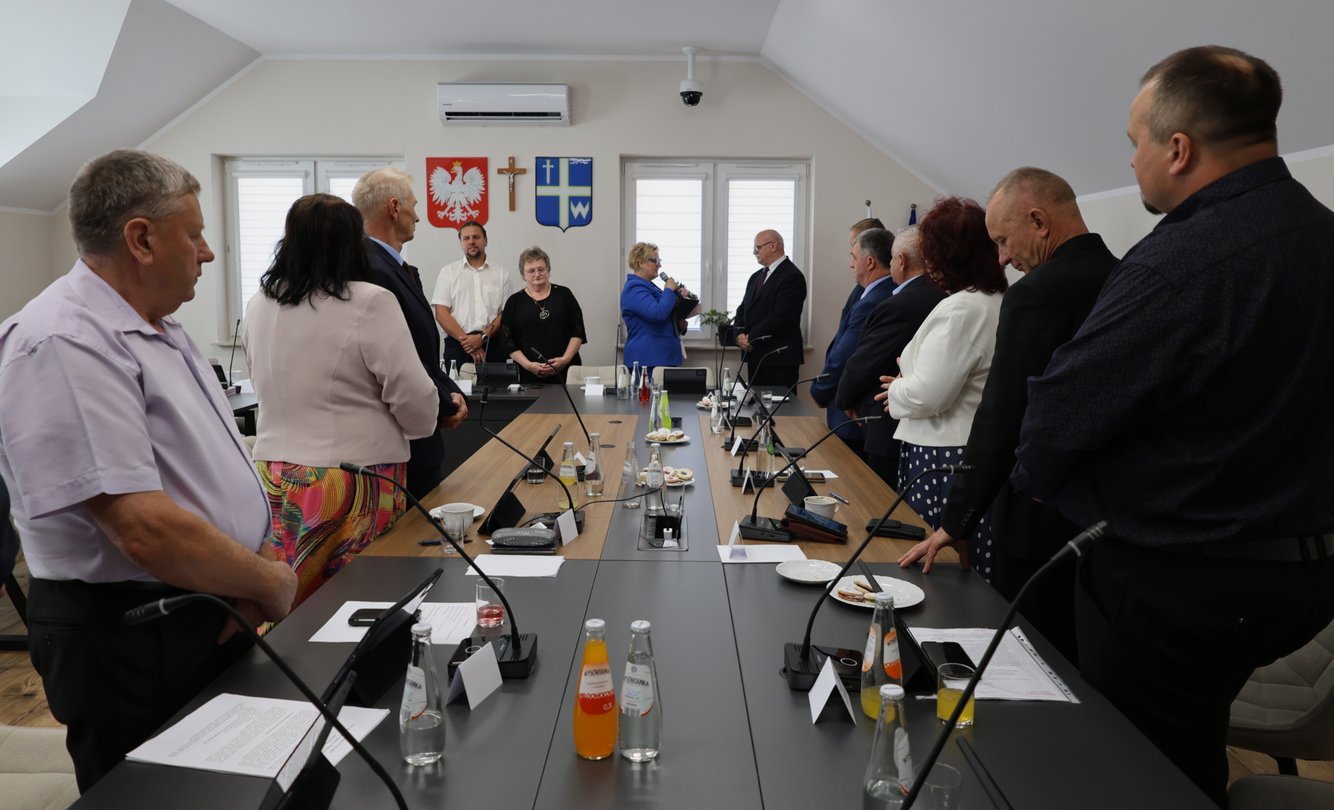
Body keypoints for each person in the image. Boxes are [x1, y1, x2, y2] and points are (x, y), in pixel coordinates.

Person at [1013, 46, 1334, 806]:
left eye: (1136, 143)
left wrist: (1060, 493)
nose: (1132, 161)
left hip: (1180, 584)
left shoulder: (1183, 260)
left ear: (1179, 149)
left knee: (1140, 773)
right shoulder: (1322, 234)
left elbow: (1057, 417)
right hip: (1306, 581)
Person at [0, 149, 297, 791]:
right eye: (194, 235)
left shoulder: (156, 328)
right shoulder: (64, 340)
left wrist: (254, 555)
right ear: (141, 239)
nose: (207, 253)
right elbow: (141, 528)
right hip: (129, 630)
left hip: (200, 602)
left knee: (225, 790)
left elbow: (209, 470)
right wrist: (269, 581)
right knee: (154, 797)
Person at [897, 168, 1117, 663]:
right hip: (1109, 521)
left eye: (1002, 239)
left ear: (1038, 221)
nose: (1001, 257)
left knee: (1031, 655)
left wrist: (957, 520)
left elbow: (1001, 415)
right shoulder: (1126, 276)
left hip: (1039, 520)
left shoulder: (1036, 293)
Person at [243, 194, 440, 606]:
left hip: (274, 475)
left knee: (285, 599)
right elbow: (414, 394)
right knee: (358, 603)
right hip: (352, 479)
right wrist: (424, 426)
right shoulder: (369, 301)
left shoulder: (259, 303)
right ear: (352, 244)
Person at [876, 197, 1006, 581]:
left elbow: (926, 395)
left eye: (931, 251)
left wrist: (898, 390)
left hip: (944, 456)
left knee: (936, 571)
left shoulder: (961, 309)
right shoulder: (991, 299)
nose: (927, 263)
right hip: (963, 450)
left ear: (948, 255)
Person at [353, 167, 467, 499]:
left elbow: (421, 347)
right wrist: (444, 404)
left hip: (416, 436)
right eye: (414, 206)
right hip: (401, 444)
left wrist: (450, 391)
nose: (417, 217)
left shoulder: (390, 265)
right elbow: (399, 361)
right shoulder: (372, 269)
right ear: (394, 208)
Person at [836, 227, 946, 483]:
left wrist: (845, 401)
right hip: (921, 427)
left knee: (879, 500)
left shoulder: (899, 305)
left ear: (902, 261)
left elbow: (865, 363)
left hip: (887, 425)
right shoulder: (941, 295)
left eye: (893, 258)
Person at [810, 226, 899, 457]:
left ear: (869, 262)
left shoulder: (874, 300)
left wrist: (820, 390)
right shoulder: (873, 292)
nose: (851, 264)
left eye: (854, 257)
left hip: (854, 413)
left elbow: (846, 356)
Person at [727, 229, 806, 387]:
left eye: (758, 247)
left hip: (778, 358)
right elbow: (743, 309)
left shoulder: (792, 276)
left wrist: (751, 338)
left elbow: (781, 316)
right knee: (756, 401)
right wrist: (738, 334)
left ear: (773, 245)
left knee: (780, 403)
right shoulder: (756, 277)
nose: (754, 252)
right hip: (755, 355)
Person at [431, 220, 512, 369]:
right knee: (457, 385)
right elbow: (441, 314)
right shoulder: (448, 272)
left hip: (492, 346)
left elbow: (506, 314)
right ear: (461, 243)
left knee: (496, 385)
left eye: (476, 237)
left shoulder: (502, 274)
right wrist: (469, 343)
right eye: (466, 238)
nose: (471, 241)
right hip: (458, 346)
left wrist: (482, 338)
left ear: (486, 241)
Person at [502, 246, 586, 384]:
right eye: (531, 271)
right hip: (528, 374)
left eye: (541, 269)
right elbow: (508, 341)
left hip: (566, 371)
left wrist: (564, 360)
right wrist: (529, 366)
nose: (537, 274)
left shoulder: (564, 294)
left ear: (548, 270)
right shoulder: (514, 301)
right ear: (523, 274)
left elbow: (578, 331)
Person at [621, 241, 686, 374]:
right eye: (655, 261)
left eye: (659, 261)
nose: (659, 265)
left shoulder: (649, 287)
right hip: (648, 359)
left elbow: (663, 315)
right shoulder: (634, 288)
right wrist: (668, 290)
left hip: (663, 357)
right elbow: (657, 313)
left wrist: (678, 325)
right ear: (640, 262)